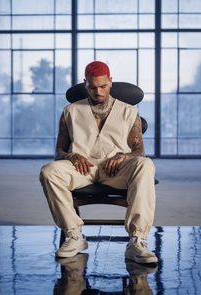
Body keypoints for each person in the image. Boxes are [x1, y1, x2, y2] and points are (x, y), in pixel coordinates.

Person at [40, 60, 157, 264]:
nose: (98, 91)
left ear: (110, 81)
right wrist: (71, 156)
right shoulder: (70, 111)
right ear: (85, 83)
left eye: (103, 86)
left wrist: (125, 156)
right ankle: (74, 235)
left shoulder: (129, 112)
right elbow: (59, 151)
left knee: (145, 164)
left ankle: (137, 240)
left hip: (117, 169)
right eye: (92, 87)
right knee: (49, 171)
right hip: (81, 169)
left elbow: (139, 151)